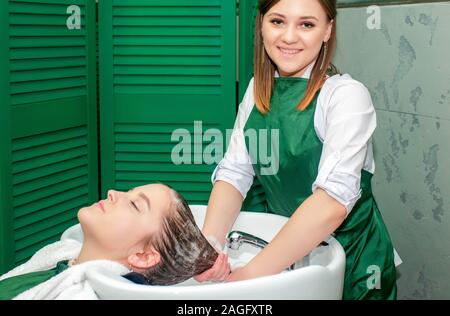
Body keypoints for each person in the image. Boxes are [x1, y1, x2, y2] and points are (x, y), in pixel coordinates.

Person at [195, 0, 399, 300]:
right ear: (261, 24)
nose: (289, 37)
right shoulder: (257, 90)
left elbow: (331, 203)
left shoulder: (346, 97)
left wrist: (248, 277)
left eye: (307, 24)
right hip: (283, 254)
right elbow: (234, 173)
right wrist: (210, 246)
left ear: (328, 30)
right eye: (278, 21)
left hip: (353, 262)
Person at [0, 184, 222, 299]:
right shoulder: (63, 259)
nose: (113, 192)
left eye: (135, 205)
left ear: (143, 257)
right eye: (128, 192)